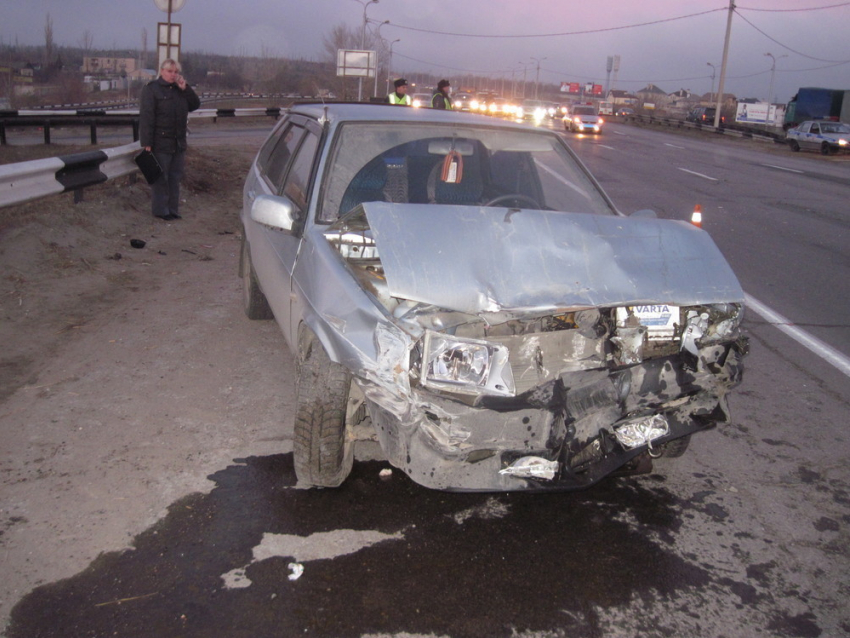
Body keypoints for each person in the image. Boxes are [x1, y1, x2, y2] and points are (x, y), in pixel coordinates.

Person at [139, 59, 201, 221]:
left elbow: (195, 105)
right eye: (169, 71)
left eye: (175, 72)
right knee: (161, 178)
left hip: (178, 143)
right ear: (161, 71)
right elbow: (147, 117)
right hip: (160, 142)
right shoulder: (152, 90)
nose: (173, 75)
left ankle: (173, 210)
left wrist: (185, 89)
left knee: (175, 177)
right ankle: (161, 210)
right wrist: (147, 142)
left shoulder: (180, 90)